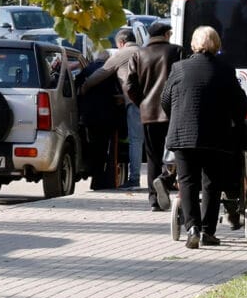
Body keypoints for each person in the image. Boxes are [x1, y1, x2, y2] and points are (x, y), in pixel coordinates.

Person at [160, 25, 247, 249]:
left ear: (193, 44)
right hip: (216, 136)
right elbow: (241, 104)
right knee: (211, 182)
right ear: (216, 44)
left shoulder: (179, 68)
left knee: (187, 182)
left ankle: (192, 229)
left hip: (183, 135)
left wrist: (179, 116)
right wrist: (235, 122)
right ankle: (208, 231)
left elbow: (165, 99)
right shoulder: (225, 70)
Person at [127, 21, 182, 210]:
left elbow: (130, 86)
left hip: (149, 113)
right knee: (179, 153)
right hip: (174, 112)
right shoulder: (177, 52)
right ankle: (166, 181)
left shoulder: (138, 55)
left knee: (153, 157)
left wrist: (142, 103)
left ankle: (153, 199)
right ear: (167, 34)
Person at [80, 28, 142, 187]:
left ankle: (134, 179)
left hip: (134, 103)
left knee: (136, 141)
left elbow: (102, 73)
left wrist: (84, 87)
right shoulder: (144, 51)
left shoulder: (121, 54)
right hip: (153, 103)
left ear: (121, 43)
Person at [76, 54, 125, 188]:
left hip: (88, 117)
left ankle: (94, 175)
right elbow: (118, 92)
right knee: (104, 149)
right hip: (107, 117)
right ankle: (100, 180)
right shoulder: (111, 72)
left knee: (92, 146)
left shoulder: (86, 70)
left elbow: (78, 90)